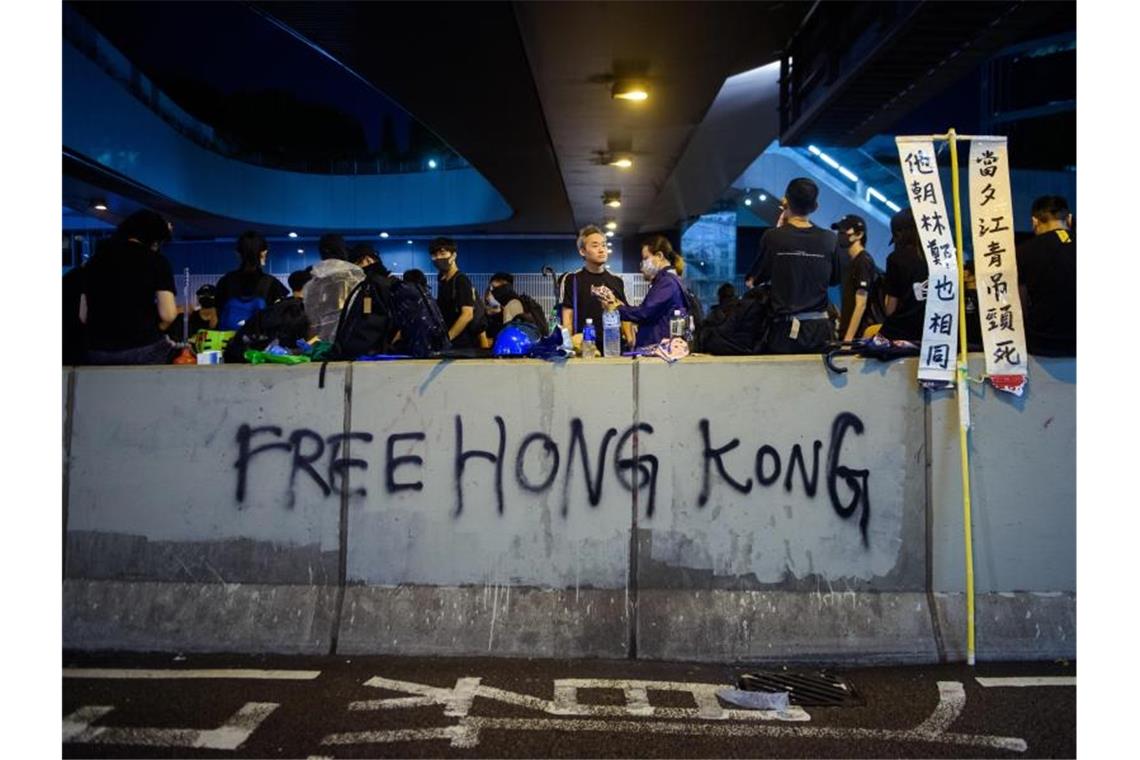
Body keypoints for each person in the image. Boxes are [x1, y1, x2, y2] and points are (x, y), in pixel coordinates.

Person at [745, 178, 841, 353]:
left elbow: (753, 281)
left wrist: (780, 226)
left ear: (786, 202)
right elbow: (834, 280)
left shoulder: (773, 237)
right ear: (815, 206)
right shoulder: (830, 239)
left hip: (784, 331)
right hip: (820, 329)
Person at [79, 209, 179, 365]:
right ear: (155, 239)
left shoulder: (94, 262)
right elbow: (168, 314)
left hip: (97, 351)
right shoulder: (157, 261)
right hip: (142, 348)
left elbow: (83, 316)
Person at [599, 235, 687, 349]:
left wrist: (615, 309)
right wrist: (617, 304)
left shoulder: (667, 282)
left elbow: (645, 312)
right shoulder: (666, 281)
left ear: (659, 256)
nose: (642, 265)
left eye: (645, 258)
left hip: (660, 349)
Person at [1016, 194, 1076, 356]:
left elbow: (1019, 301)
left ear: (1035, 221)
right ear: (1069, 219)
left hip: (1043, 344)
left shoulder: (1023, 251)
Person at [559, 224, 631, 353]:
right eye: (595, 245)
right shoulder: (572, 279)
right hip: (584, 349)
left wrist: (630, 339)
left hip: (613, 348)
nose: (602, 249)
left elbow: (624, 314)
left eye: (604, 245)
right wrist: (568, 346)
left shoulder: (617, 280)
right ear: (582, 251)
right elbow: (567, 318)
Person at [214, 230, 289, 329]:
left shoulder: (225, 281)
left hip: (229, 341)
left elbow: (218, 315)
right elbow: (278, 319)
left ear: (238, 254)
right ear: (263, 253)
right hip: (260, 342)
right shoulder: (272, 284)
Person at [877, 208, 929, 343]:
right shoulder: (940, 256)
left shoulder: (895, 259)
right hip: (936, 330)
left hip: (904, 332)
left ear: (899, 233)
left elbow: (890, 309)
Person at [302, 234, 365, 342]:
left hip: (320, 342)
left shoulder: (313, 282)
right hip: (350, 339)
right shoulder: (354, 277)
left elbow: (310, 316)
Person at [430, 236, 487, 349]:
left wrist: (448, 338)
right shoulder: (442, 279)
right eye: (434, 255)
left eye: (442, 254)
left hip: (463, 345)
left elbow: (467, 314)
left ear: (453, 256)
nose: (438, 258)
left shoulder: (461, 280)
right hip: (452, 344)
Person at [832, 214, 878, 341]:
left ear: (859, 235)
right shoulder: (853, 261)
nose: (840, 235)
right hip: (847, 332)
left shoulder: (863, 261)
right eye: (839, 231)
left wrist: (848, 339)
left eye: (844, 231)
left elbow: (861, 304)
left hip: (855, 337)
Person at [485, 272, 526, 338]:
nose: (490, 289)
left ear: (502, 282)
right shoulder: (515, 297)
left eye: (492, 287)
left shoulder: (498, 294)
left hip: (501, 335)